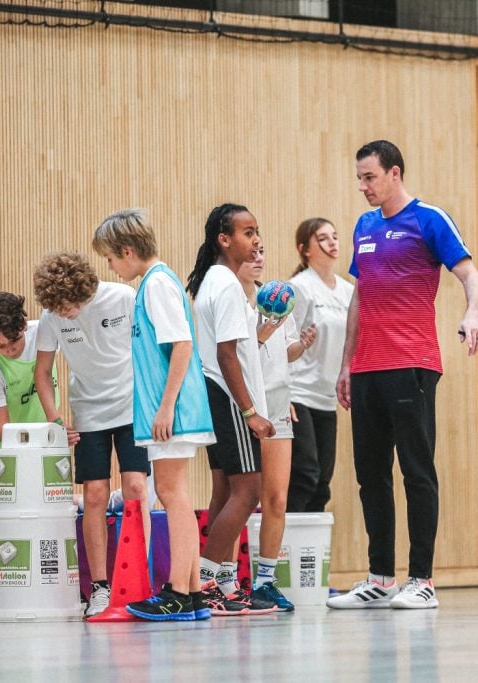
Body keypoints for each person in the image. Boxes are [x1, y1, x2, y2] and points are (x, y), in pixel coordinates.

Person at [327, 140, 478, 610]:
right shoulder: (364, 226)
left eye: (370, 177)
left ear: (394, 173)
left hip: (412, 364)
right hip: (368, 368)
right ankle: (379, 577)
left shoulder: (429, 219)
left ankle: (422, 580)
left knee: (417, 472)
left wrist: (472, 314)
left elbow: (470, 275)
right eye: (359, 178)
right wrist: (346, 364)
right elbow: (361, 296)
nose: (363, 186)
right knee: (370, 475)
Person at [92, 208, 215, 622]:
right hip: (167, 408)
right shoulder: (152, 283)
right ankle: (193, 592)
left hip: (174, 409)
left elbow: (181, 346)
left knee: (172, 493)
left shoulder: (158, 283)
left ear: (127, 250)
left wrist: (165, 408)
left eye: (110, 257)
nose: (110, 266)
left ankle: (179, 590)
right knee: (173, 492)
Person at [32, 251, 152, 618]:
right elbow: (43, 373)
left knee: (136, 489)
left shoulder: (123, 298)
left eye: (69, 305)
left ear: (84, 289)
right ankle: (99, 586)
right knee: (95, 495)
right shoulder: (52, 317)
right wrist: (55, 418)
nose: (65, 313)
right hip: (88, 413)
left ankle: (138, 577)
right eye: (58, 308)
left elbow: (150, 350)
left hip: (131, 407)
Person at [186, 203, 277, 616]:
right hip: (225, 395)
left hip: (217, 395)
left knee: (225, 490)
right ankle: (204, 582)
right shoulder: (224, 284)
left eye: (257, 231)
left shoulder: (217, 280)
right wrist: (250, 411)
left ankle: (220, 582)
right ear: (224, 240)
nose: (255, 239)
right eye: (246, 231)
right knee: (250, 490)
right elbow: (227, 356)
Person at [236, 246, 315, 611]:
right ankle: (223, 578)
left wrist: (303, 343)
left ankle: (265, 582)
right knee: (240, 495)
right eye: (251, 251)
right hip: (244, 405)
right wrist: (263, 333)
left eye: (262, 251)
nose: (258, 258)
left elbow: (287, 353)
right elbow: (232, 356)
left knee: (276, 497)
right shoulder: (231, 300)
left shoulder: (278, 297)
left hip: (279, 404)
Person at [286, 217, 354, 513]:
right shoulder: (299, 288)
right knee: (304, 474)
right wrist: (281, 393)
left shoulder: (349, 291)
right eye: (323, 238)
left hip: (328, 396)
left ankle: (308, 556)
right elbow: (282, 344)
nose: (332, 243)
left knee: (322, 483)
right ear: (305, 249)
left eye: (335, 236)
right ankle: (283, 548)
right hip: (298, 393)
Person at [0, 292, 58, 470]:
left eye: (14, 341)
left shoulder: (45, 333)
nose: (9, 350)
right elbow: (3, 429)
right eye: (0, 346)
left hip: (49, 440)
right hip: (10, 448)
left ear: (24, 325)